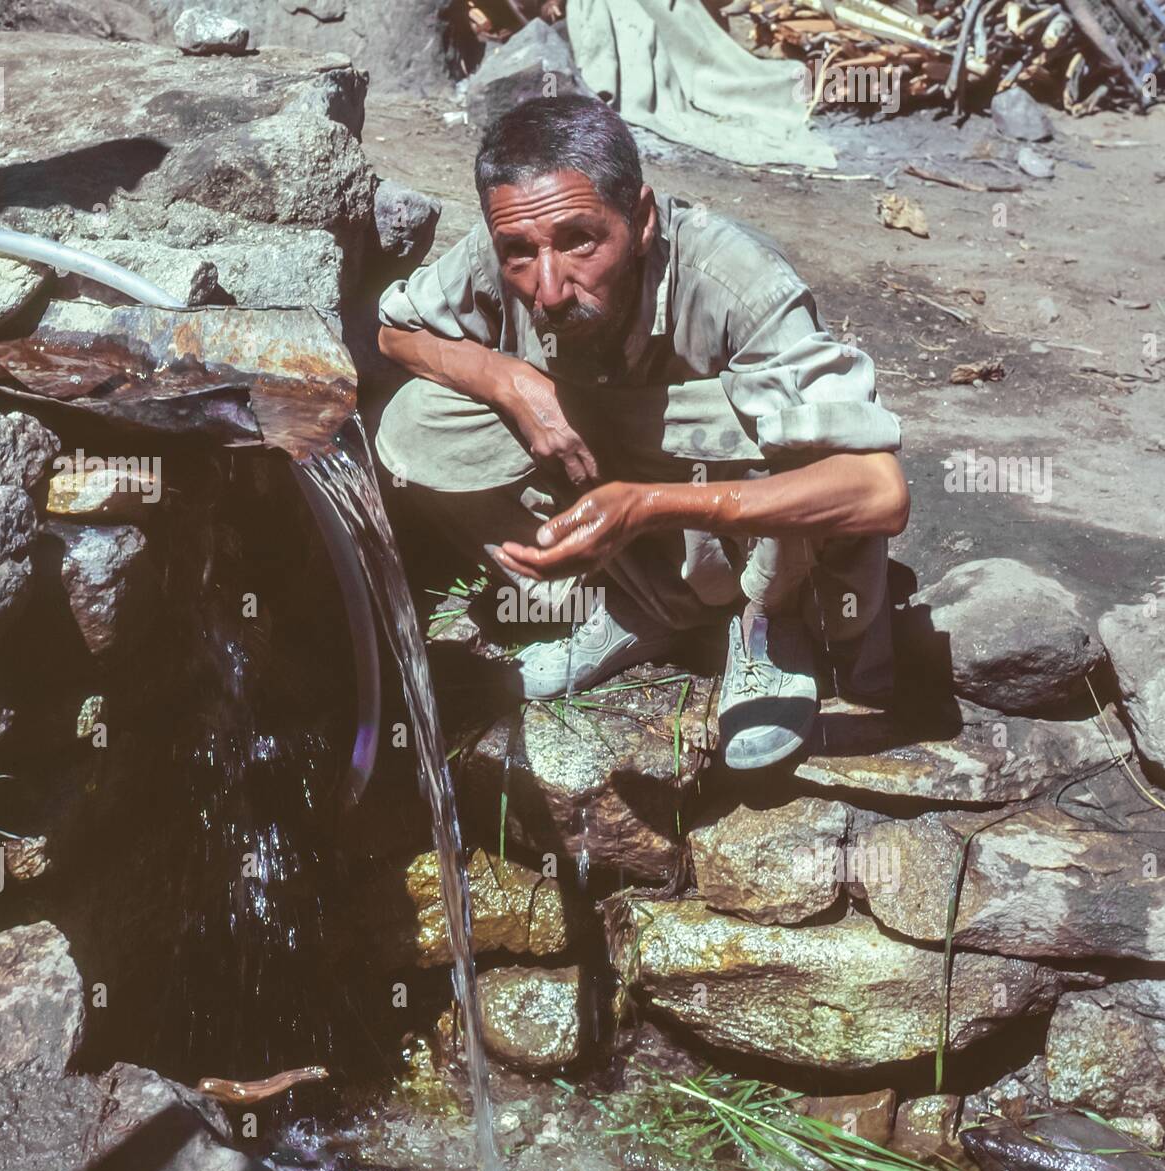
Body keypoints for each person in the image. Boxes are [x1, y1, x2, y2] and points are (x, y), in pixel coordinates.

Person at [375, 95, 909, 770]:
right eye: (518, 252)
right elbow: (395, 332)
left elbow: (880, 490)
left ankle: (768, 625)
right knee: (416, 421)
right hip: (639, 502)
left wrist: (648, 505)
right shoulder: (515, 238)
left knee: (790, 444)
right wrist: (507, 380)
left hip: (747, 540)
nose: (549, 289)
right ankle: (637, 607)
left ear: (643, 219)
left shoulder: (735, 282)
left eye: (580, 242)